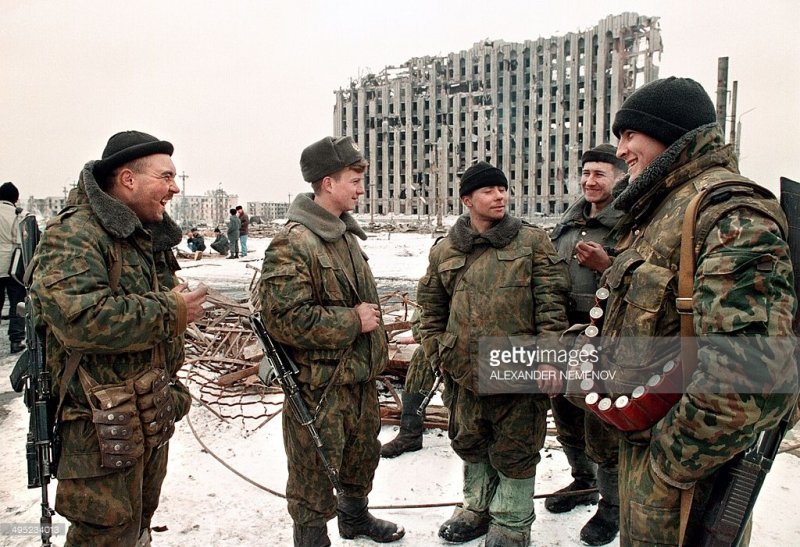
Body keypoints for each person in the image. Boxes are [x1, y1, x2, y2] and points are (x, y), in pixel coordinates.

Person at [597, 77, 797, 545]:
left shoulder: (728, 212)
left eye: (629, 134)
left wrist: (670, 461)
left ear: (670, 131)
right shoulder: (665, 210)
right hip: (650, 454)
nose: (621, 149)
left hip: (690, 475)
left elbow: (754, 374)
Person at [29, 130, 208, 546]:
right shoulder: (76, 235)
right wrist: (173, 311)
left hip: (145, 416)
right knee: (105, 533)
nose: (174, 187)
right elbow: (82, 319)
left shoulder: (146, 236)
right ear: (128, 179)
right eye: (165, 176)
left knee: (139, 523)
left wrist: (171, 384)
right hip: (96, 429)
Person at [259, 135, 404, 547]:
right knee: (313, 474)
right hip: (319, 387)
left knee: (361, 458)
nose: (361, 188)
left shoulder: (344, 236)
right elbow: (284, 319)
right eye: (354, 179)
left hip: (357, 380)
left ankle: (355, 519)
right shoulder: (294, 242)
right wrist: (350, 322)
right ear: (327, 182)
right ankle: (311, 538)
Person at [416, 161, 570, 547]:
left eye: (502, 188)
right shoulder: (446, 249)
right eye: (488, 190)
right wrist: (438, 350)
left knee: (516, 446)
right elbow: (430, 307)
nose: (499, 195)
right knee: (469, 439)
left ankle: (513, 522)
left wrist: (551, 358)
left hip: (517, 362)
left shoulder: (532, 242)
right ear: (467, 199)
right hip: (463, 366)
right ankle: (475, 508)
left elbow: (552, 306)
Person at [546, 144, 627, 545]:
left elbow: (645, 282)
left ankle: (611, 508)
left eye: (600, 174)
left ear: (620, 177)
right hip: (563, 337)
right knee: (565, 416)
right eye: (586, 173)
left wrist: (608, 266)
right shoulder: (568, 223)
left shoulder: (630, 223)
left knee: (603, 425)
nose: (590, 181)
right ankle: (582, 483)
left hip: (604, 339)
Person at [380, 307, 439, 458]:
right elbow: (419, 330)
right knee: (423, 353)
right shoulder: (436, 286)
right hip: (455, 342)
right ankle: (410, 433)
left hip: (492, 342)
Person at [0, 182, 27, 354]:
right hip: (13, 265)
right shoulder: (18, 215)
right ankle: (16, 341)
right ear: (15, 198)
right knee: (17, 302)